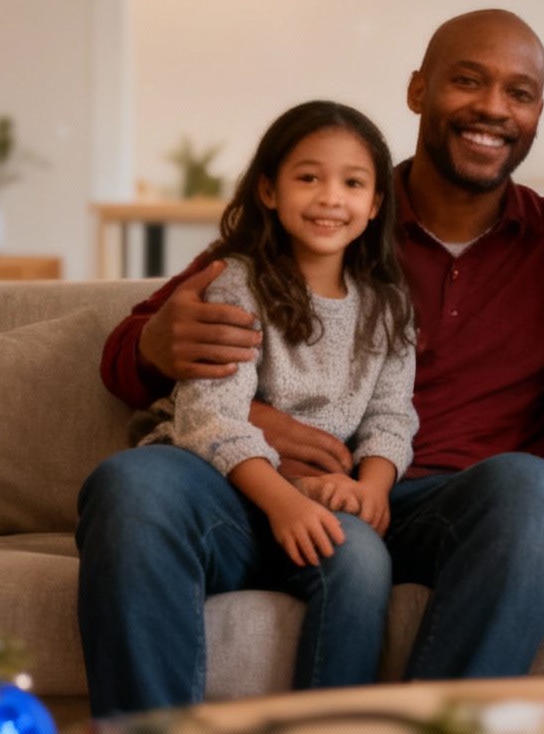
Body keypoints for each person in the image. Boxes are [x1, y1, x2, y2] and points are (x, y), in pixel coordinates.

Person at [80, 10, 544, 716]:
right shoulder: (326, 219)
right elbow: (129, 359)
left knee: (538, 491)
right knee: (134, 484)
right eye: (467, 81)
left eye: (518, 93)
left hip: (441, 510)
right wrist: (178, 361)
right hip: (254, 493)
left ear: (538, 113)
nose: (492, 107)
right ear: (419, 90)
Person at [137, 101, 416, 689]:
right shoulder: (236, 282)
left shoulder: (389, 307)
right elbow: (210, 417)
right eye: (308, 177)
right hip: (223, 489)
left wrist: (372, 488)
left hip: (318, 494)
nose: (330, 198)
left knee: (361, 559)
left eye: (353, 182)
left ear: (375, 204)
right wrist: (287, 502)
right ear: (268, 190)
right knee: (133, 482)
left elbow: (392, 416)